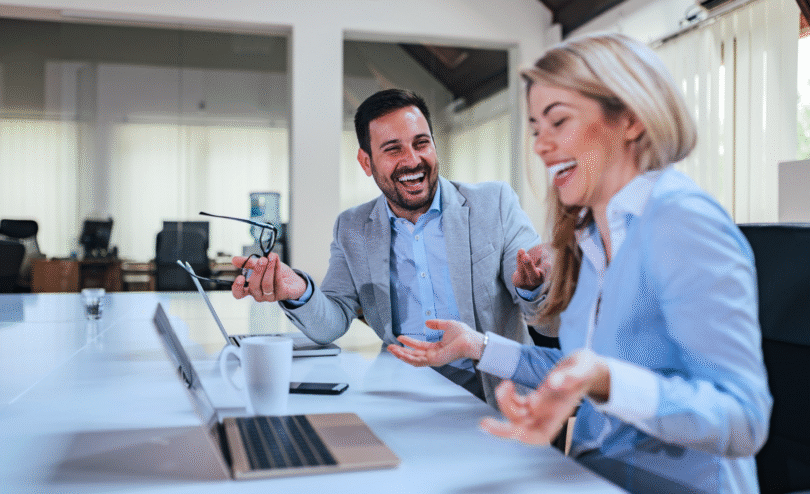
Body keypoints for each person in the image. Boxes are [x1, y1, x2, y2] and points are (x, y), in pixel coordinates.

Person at [387, 34, 772, 493]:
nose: (541, 146)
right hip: (592, 476)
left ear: (629, 118)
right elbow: (575, 367)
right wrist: (476, 345)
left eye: (558, 122)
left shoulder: (682, 221)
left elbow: (745, 419)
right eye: (535, 130)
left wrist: (604, 378)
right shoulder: (590, 236)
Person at [231, 88, 549, 404]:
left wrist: (531, 289)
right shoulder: (352, 227)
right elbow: (333, 321)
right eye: (393, 149)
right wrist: (298, 290)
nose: (412, 160)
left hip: (495, 390)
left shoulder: (494, 204)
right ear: (366, 162)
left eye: (421, 143)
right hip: (402, 390)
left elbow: (541, 314)